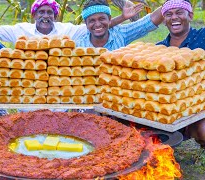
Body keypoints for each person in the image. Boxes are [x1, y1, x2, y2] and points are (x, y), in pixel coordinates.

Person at [0, 0, 144, 44]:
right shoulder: (20, 30)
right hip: (29, 95)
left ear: (55, 15)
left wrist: (122, 18)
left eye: (50, 12)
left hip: (61, 97)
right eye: (41, 12)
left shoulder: (68, 30)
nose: (46, 15)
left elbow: (97, 25)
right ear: (34, 15)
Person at [157, 0, 205, 148]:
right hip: (170, 108)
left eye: (179, 12)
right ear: (164, 20)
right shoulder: (159, 49)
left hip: (200, 105)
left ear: (190, 15)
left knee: (203, 131)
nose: (174, 18)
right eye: (169, 14)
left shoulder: (202, 37)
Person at [76, 0, 164, 50]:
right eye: (92, 21)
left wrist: (169, 3)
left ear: (109, 19)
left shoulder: (120, 34)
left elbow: (148, 22)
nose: (98, 24)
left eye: (102, 19)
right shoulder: (79, 45)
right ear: (86, 24)